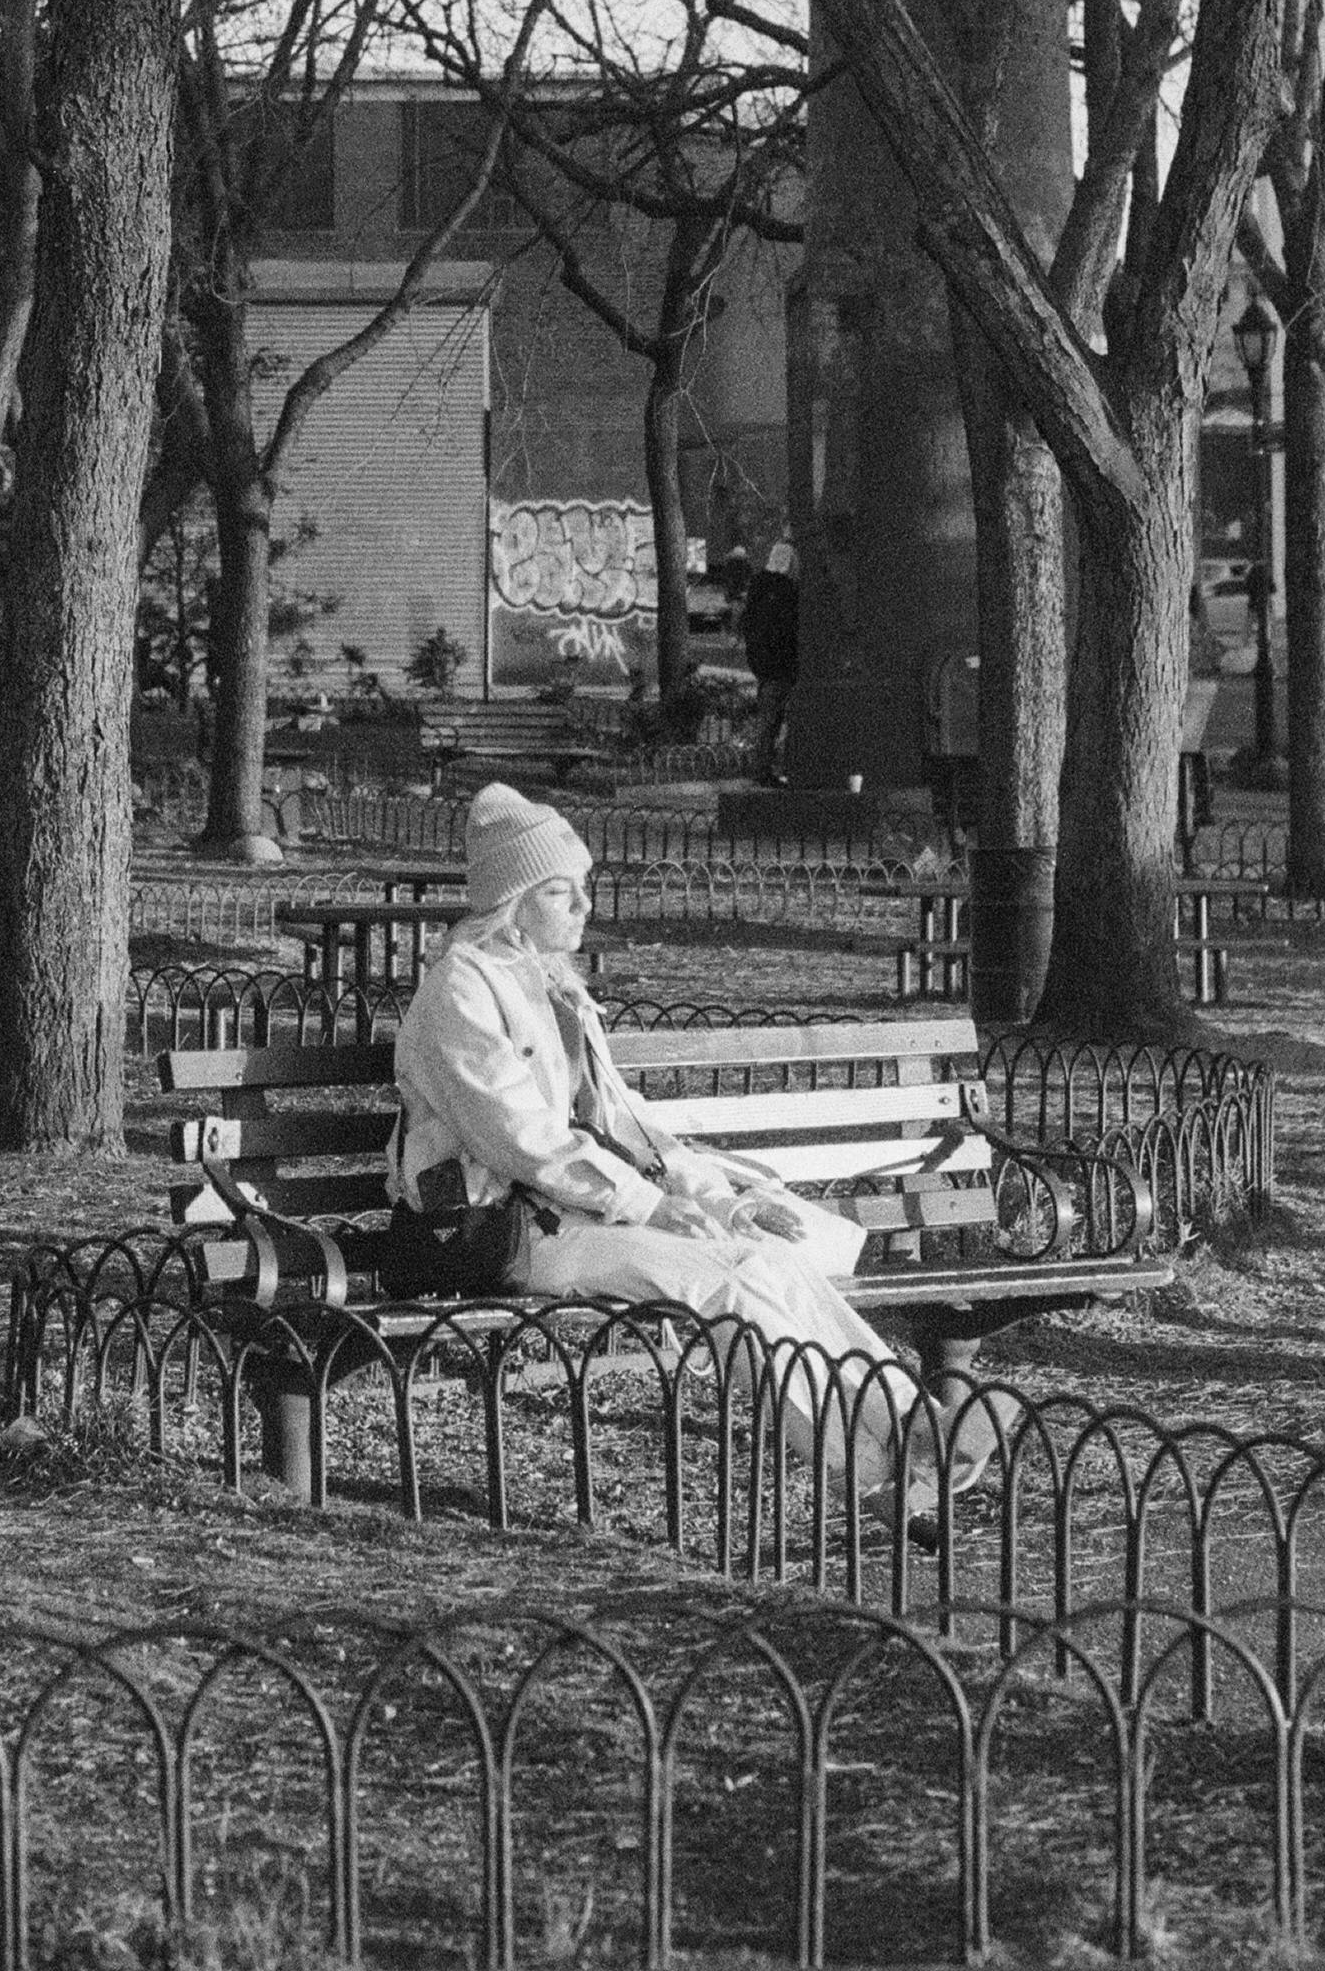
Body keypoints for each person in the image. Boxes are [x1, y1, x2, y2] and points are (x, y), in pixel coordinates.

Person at [387, 782, 994, 1511]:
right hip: (505, 1226)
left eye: (583, 887)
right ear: (507, 904)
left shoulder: (555, 986)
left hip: (578, 1214)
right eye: (559, 892)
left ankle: (909, 1424)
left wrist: (720, 1201)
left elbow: (627, 1125)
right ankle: (869, 1470)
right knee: (722, 1286)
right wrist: (650, 1205)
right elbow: (519, 1137)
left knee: (769, 1259)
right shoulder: (461, 991)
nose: (584, 906)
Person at [742, 536, 801, 784]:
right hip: (786, 663)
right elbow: (790, 627)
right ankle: (786, 768)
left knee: (768, 721)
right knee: (792, 720)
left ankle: (761, 768)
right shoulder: (789, 591)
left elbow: (749, 624)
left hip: (764, 665)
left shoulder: (759, 588)